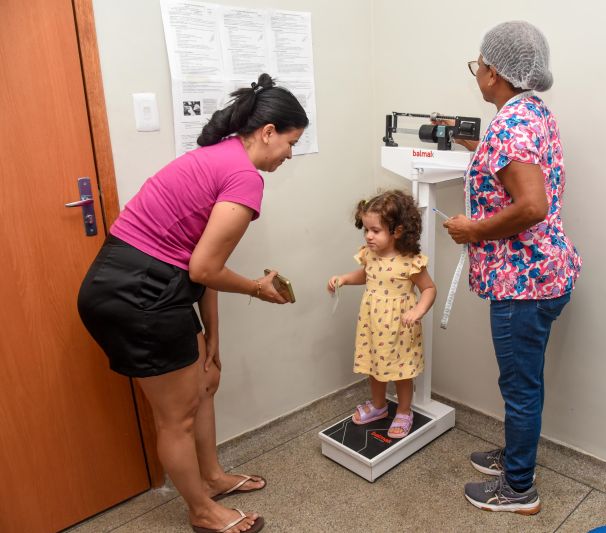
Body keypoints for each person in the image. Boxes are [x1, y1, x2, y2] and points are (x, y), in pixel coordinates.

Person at [77, 73, 308, 533]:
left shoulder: (220, 155)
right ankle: (202, 511)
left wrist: (213, 340)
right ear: (267, 132)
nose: (289, 154)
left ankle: (213, 478)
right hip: (138, 292)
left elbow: (200, 264)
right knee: (176, 418)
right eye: (291, 143)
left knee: (202, 385)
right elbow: (204, 270)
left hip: (148, 283)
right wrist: (258, 289)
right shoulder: (244, 177)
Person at [439, 22, 582, 515]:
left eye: (477, 64)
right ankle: (515, 457)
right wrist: (477, 155)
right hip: (545, 272)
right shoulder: (531, 113)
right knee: (523, 381)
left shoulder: (509, 126)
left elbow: (532, 206)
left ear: (493, 72)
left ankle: (519, 488)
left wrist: (473, 230)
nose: (476, 72)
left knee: (520, 387)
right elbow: (518, 174)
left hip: (523, 283)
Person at [327, 190, 436, 439]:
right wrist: (344, 278)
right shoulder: (370, 255)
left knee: (401, 371)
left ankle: (404, 411)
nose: (368, 236)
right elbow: (366, 275)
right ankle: (378, 406)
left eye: (375, 230)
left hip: (400, 326)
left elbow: (429, 289)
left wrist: (418, 310)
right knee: (374, 367)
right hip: (372, 323)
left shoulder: (410, 261)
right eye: (366, 230)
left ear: (397, 231)